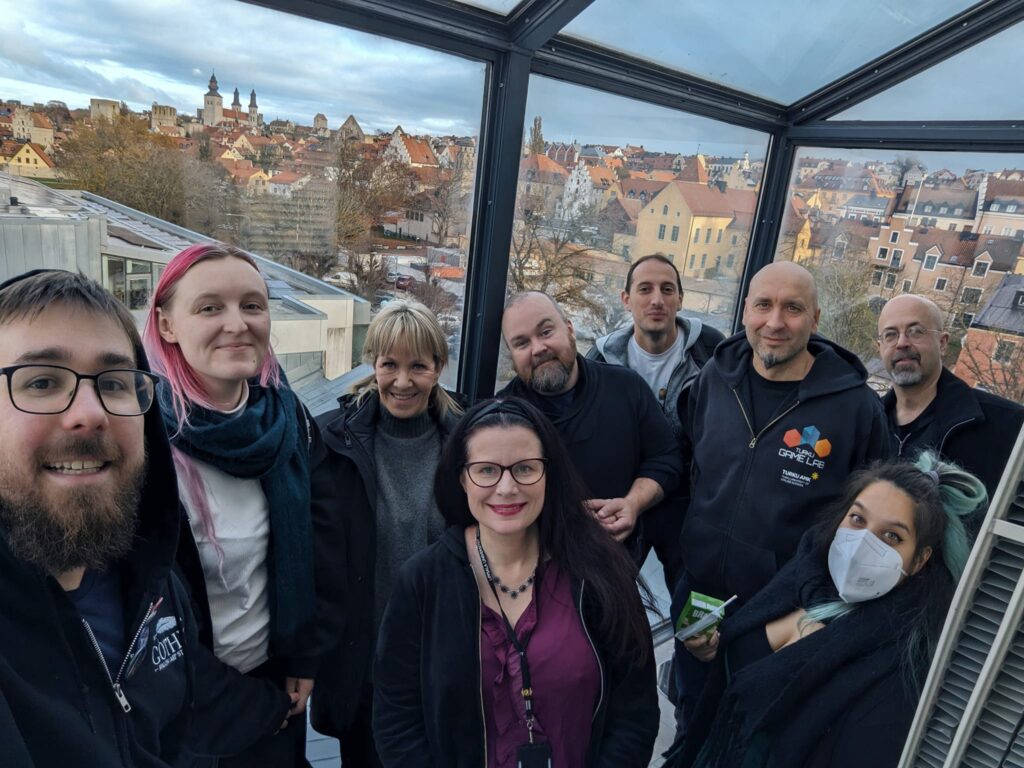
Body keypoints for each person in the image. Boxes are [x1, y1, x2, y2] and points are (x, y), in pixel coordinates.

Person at [0, 269, 291, 766]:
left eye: (114, 383)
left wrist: (275, 704)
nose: (89, 413)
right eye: (42, 382)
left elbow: (186, 710)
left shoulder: (150, 579)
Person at [373, 397, 659, 768]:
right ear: (461, 477)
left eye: (525, 468)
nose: (507, 487)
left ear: (549, 474)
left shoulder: (600, 572)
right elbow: (397, 719)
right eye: (487, 470)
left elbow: (634, 712)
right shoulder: (422, 582)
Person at [666, 453, 987, 768]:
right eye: (858, 519)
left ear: (919, 560)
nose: (862, 542)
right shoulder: (802, 574)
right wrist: (714, 650)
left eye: (891, 536)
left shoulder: (896, 666)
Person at [675, 261, 891, 721]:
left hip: (782, 612)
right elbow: (695, 464)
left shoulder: (855, 408)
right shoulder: (714, 379)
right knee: (691, 709)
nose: (775, 323)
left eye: (793, 308)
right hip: (700, 593)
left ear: (815, 320)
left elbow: (872, 514)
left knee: (753, 724)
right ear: (746, 312)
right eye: (763, 305)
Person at [144, 244, 318, 768]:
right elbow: (142, 609)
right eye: (209, 308)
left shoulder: (287, 420)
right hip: (187, 705)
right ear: (167, 325)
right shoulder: (141, 440)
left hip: (275, 681)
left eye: (252, 305)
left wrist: (302, 657)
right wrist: (252, 707)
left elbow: (309, 549)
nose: (237, 324)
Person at [310, 300, 463, 767]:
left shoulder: (469, 442)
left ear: (438, 367)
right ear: (372, 363)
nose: (402, 381)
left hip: (442, 659)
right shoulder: (330, 439)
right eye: (389, 365)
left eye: (418, 365)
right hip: (362, 664)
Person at [499, 291, 682, 554]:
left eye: (546, 331)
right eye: (521, 343)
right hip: (533, 570)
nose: (538, 348)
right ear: (512, 355)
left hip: (616, 564)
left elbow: (666, 458)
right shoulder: (501, 418)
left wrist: (632, 503)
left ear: (570, 329)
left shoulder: (627, 388)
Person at [588, 253, 725, 591]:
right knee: (606, 593)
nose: (656, 300)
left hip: (688, 501)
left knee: (693, 595)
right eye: (645, 289)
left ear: (680, 298)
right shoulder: (601, 361)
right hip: (625, 495)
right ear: (626, 299)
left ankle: (693, 645)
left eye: (667, 289)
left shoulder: (712, 352)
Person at [878, 293, 1024, 501]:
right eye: (890, 335)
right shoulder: (866, 421)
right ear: (880, 347)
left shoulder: (1008, 424)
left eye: (916, 331)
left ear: (943, 343)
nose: (902, 343)